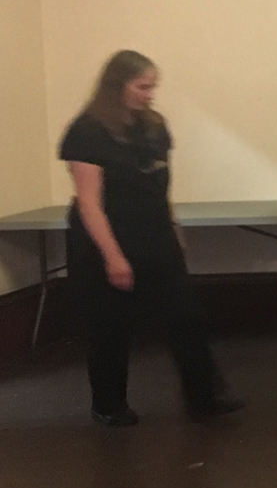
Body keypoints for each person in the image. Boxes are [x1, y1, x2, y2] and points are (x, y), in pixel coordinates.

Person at [59, 50, 243, 426]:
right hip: (106, 238)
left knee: (187, 316)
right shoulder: (87, 132)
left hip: (155, 233)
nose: (149, 94)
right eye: (143, 86)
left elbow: (160, 188)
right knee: (110, 326)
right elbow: (90, 204)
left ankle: (204, 395)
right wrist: (113, 257)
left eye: (152, 86)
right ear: (118, 86)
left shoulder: (154, 127)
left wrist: (175, 233)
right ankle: (109, 406)